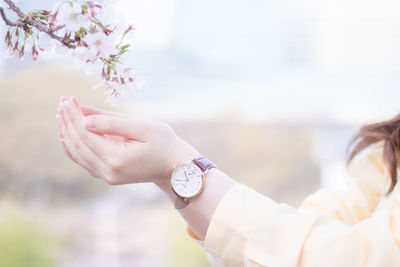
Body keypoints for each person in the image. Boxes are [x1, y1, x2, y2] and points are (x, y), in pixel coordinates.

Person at [56, 96, 400, 267]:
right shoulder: (386, 157)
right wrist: (171, 175)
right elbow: (285, 246)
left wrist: (177, 165)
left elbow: (352, 258)